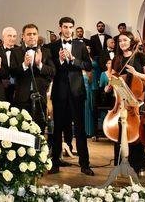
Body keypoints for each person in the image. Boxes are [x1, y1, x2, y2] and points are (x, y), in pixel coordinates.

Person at [48, 17, 94, 176]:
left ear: (73, 28)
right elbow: (50, 69)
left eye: (70, 27)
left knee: (80, 129)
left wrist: (73, 60)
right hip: (59, 92)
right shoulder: (52, 46)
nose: (68, 30)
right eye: (65, 27)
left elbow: (88, 66)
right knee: (57, 129)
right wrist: (60, 60)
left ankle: (85, 164)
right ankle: (55, 163)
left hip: (77, 92)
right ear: (60, 28)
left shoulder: (80, 45)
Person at [107, 31, 145, 173]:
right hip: (120, 101)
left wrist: (135, 73)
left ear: (131, 41)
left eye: (125, 40)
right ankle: (120, 165)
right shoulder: (117, 59)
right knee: (119, 132)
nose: (122, 43)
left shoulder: (140, 56)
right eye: (120, 41)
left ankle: (137, 166)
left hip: (136, 100)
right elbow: (114, 77)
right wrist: (110, 84)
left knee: (134, 133)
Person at [10, 24, 54, 134]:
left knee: (39, 128)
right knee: (21, 129)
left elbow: (53, 71)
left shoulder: (46, 51)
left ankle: (39, 146)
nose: (32, 36)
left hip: (40, 96)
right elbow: (12, 72)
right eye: (29, 34)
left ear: (37, 35)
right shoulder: (15, 52)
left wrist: (39, 65)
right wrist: (24, 65)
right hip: (22, 97)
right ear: (23, 36)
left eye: (34, 34)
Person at [0, 27, 19, 103]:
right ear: (3, 37)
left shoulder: (21, 50)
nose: (12, 38)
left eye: (14, 36)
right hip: (1, 87)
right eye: (9, 36)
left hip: (18, 88)